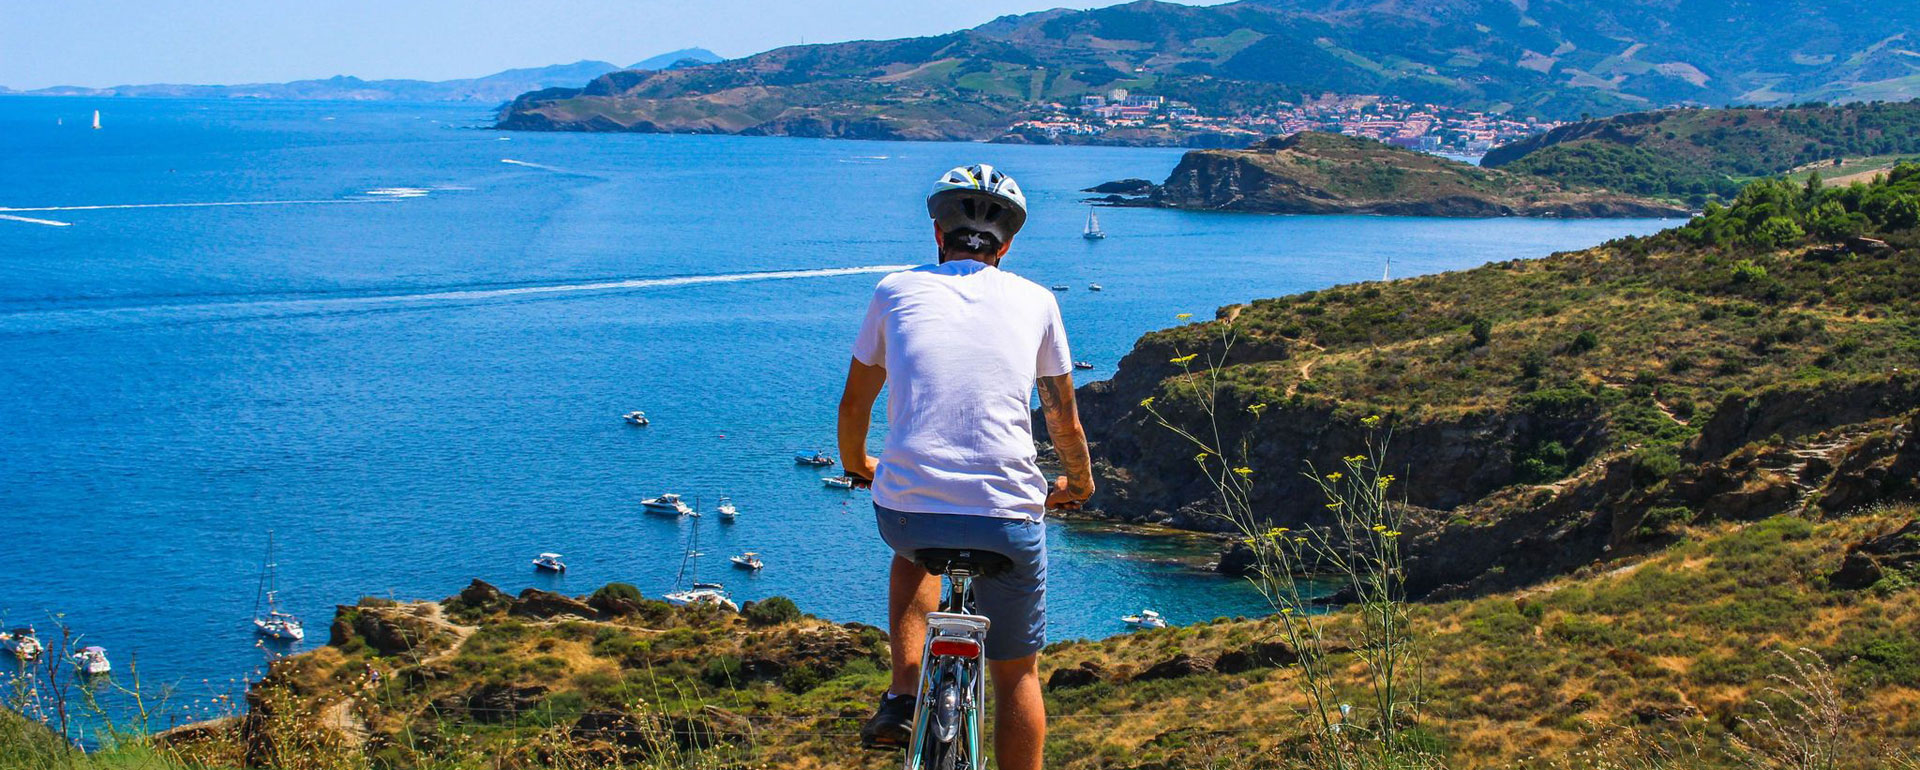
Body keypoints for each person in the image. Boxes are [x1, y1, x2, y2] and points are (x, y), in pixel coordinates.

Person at [837, 163, 1095, 770]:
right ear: (1007, 245)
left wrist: (859, 465)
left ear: (938, 234)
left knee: (912, 552)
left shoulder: (894, 291)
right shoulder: (1038, 301)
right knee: (1018, 674)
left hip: (909, 513)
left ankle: (903, 694)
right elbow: (1063, 418)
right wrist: (1078, 486)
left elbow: (855, 404)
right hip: (1009, 518)